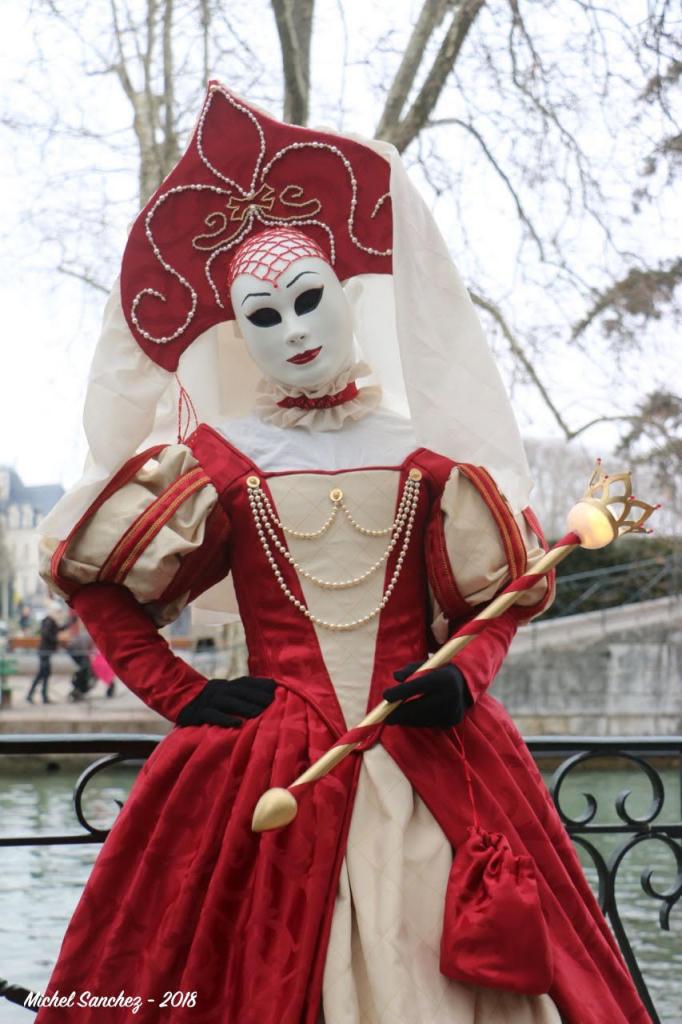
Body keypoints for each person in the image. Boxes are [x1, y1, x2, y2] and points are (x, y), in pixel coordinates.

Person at [35, 86, 650, 1023]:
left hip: (432, 754)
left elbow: (491, 608)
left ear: (350, 297)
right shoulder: (218, 465)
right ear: (238, 334)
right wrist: (182, 693)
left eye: (310, 300)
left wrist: (464, 678)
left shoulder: (426, 456)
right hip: (269, 764)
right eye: (265, 317)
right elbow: (97, 586)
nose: (296, 331)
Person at [26, 602, 61, 704]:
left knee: (44, 674)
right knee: (43, 674)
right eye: (58, 612)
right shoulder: (49, 621)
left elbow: (57, 629)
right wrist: (55, 640)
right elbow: (46, 633)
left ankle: (38, 695)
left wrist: (70, 623)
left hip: (45, 651)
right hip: (45, 651)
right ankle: (38, 695)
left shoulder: (49, 621)